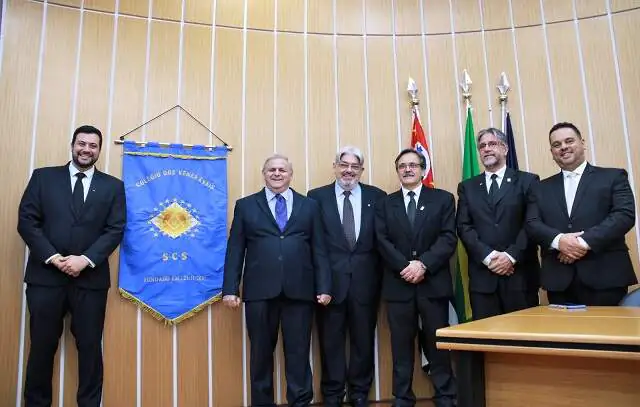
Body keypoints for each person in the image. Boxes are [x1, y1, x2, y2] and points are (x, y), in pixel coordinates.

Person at [18, 125, 126, 407]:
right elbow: (27, 222)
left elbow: (115, 229)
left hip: (90, 281)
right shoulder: (43, 178)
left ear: (99, 150)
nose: (86, 149)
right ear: (72, 145)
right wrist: (53, 257)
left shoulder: (113, 186)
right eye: (82, 143)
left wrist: (85, 260)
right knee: (41, 348)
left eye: (93, 145)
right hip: (45, 279)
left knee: (90, 350)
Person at [222, 154, 332, 407]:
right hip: (260, 292)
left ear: (291, 174)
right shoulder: (246, 205)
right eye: (272, 169)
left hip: (300, 293)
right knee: (260, 355)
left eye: (282, 169)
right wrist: (230, 289)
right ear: (264, 173)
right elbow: (236, 249)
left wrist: (325, 287)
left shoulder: (309, 206)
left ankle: (301, 402)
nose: (277, 173)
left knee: (298, 354)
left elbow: (320, 250)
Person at [375, 148, 457, 407]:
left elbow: (448, 238)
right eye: (402, 166)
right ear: (397, 171)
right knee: (400, 346)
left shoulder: (443, 199)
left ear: (423, 169)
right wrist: (405, 266)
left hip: (432, 283)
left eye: (413, 165)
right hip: (399, 285)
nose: (408, 169)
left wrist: (423, 265)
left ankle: (445, 394)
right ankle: (402, 396)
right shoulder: (385, 203)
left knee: (437, 344)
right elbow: (381, 240)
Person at [307, 146, 386, 407]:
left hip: (366, 283)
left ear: (362, 170)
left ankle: (360, 393)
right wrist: (321, 283)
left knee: (363, 341)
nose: (349, 170)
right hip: (330, 285)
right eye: (344, 164)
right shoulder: (316, 197)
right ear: (335, 166)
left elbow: (382, 241)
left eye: (355, 166)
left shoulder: (378, 196)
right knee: (330, 342)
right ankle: (332, 394)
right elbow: (315, 245)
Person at [526, 122, 637, 306]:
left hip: (606, 277)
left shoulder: (613, 177)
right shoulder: (539, 188)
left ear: (582, 143)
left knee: (607, 332)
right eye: (556, 144)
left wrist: (581, 244)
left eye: (569, 141)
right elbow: (532, 223)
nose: (563, 147)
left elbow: (623, 216)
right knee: (563, 335)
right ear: (552, 152)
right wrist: (559, 241)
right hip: (559, 280)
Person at [456, 127, 540, 320]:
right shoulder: (467, 187)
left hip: (520, 275)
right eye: (482, 146)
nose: (486, 149)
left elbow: (532, 223)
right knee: (487, 341)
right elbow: (463, 226)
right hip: (483, 278)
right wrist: (490, 257)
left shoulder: (527, 181)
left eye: (492, 144)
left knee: (524, 339)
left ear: (505, 148)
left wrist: (510, 257)